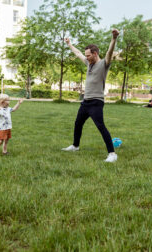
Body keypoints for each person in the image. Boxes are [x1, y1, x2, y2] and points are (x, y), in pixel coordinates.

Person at [61, 29, 119, 163]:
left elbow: (110, 53)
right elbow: (78, 53)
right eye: (86, 55)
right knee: (78, 123)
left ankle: (112, 154)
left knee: (100, 126)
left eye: (88, 55)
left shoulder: (103, 64)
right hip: (85, 102)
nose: (86, 57)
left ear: (95, 54)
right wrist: (69, 44)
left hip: (96, 102)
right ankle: (75, 146)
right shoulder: (89, 64)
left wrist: (114, 39)